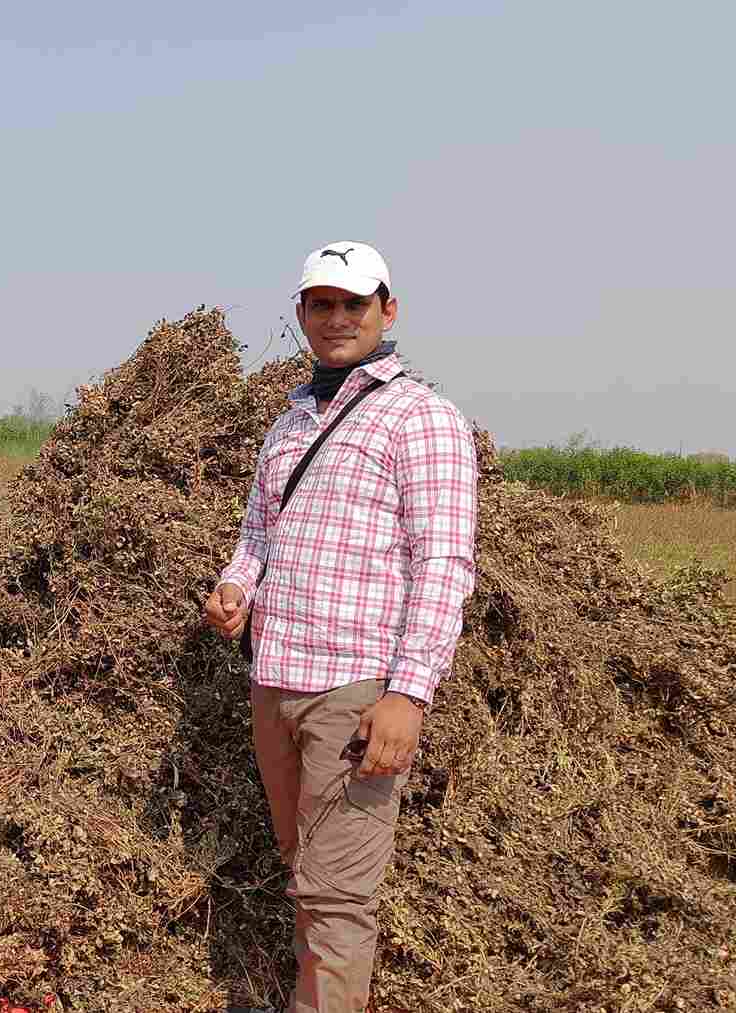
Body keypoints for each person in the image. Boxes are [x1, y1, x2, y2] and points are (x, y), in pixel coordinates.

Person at [205, 242, 478, 1013]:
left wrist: (408, 694)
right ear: (300, 315)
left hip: (353, 692)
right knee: (306, 870)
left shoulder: (422, 419)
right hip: (276, 681)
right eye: (320, 304)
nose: (335, 318)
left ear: (387, 311)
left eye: (353, 304)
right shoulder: (290, 422)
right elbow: (258, 532)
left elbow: (445, 563)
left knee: (338, 893)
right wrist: (234, 585)